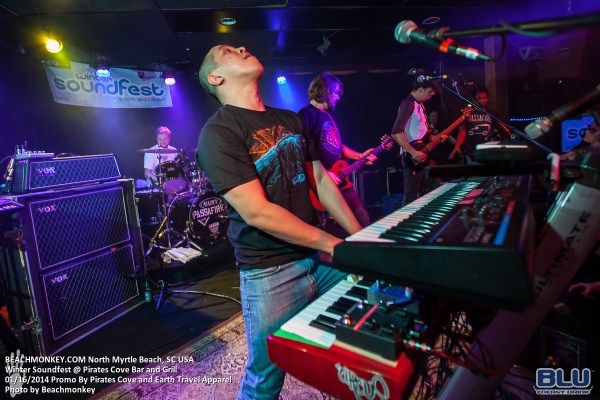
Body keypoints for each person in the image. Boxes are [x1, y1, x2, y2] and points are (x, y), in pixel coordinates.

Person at [195, 45, 362, 400]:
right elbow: (256, 212)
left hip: (315, 259)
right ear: (216, 77)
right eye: (228, 50)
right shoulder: (218, 132)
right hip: (269, 272)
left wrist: (361, 239)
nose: (242, 48)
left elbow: (321, 181)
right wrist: (334, 244)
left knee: (373, 307)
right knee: (265, 380)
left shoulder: (290, 119)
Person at [298, 72, 376, 228]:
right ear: (325, 92)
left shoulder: (329, 115)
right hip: (321, 182)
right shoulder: (306, 115)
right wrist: (325, 174)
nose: (338, 97)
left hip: (341, 179)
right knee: (322, 228)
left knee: (362, 218)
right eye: (335, 93)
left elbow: (338, 147)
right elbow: (301, 150)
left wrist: (360, 156)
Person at [390, 79, 440, 206]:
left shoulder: (420, 104)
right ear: (420, 89)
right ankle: (406, 218)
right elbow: (395, 133)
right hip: (412, 158)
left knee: (436, 187)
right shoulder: (408, 104)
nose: (432, 94)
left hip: (422, 154)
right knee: (411, 196)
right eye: (430, 91)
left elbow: (419, 132)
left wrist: (432, 138)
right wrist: (413, 152)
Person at [449, 86, 511, 163]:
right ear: (473, 99)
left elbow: (498, 132)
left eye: (485, 98)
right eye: (479, 98)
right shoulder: (467, 113)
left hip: (489, 151)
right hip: (472, 151)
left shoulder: (492, 113)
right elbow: (462, 131)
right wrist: (457, 146)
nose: (482, 100)